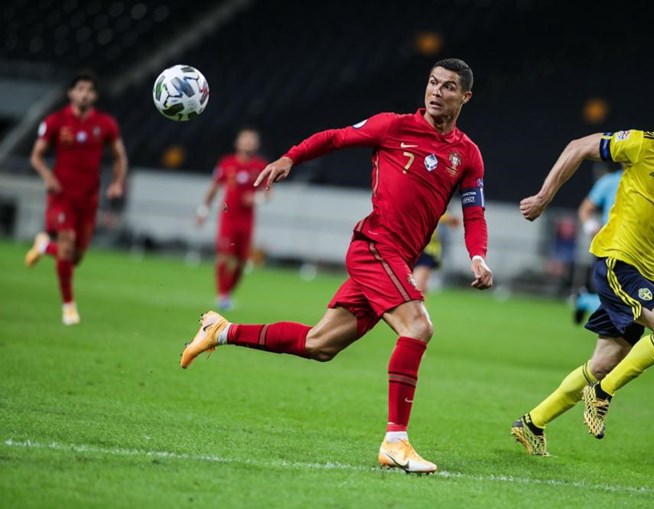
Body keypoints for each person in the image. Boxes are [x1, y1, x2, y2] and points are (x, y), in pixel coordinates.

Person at [180, 58, 493, 473]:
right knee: (418, 326)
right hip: (375, 247)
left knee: (319, 344)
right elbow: (335, 137)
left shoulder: (467, 155)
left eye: (448, 87)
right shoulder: (394, 126)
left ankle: (221, 331)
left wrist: (478, 255)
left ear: (465, 97)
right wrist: (291, 157)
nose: (436, 92)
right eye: (432, 83)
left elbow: (474, 213)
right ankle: (396, 441)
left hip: (396, 259)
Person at [511, 78, 654, 456]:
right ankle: (602, 394)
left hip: (647, 272)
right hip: (616, 261)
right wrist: (544, 197)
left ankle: (532, 423)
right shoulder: (643, 144)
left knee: (602, 363)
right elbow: (578, 146)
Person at [25, 71, 128, 325]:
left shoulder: (105, 124)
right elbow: (36, 156)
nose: (84, 94)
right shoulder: (56, 121)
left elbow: (119, 157)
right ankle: (69, 307)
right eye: (80, 88)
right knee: (67, 242)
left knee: (76, 257)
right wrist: (48, 177)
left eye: (89, 90)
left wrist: (116, 183)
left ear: (95, 95)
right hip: (62, 195)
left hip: (89, 198)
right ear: (71, 92)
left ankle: (43, 246)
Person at [196, 128, 268, 310]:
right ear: (238, 143)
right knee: (223, 256)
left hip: (247, 221)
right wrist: (204, 209)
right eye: (245, 140)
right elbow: (214, 187)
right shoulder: (227, 163)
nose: (248, 143)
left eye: (251, 140)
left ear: (256, 144)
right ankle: (222, 295)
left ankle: (227, 292)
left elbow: (268, 193)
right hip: (228, 218)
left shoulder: (260, 166)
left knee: (242, 262)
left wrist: (256, 199)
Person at [573, 164, 623, 324]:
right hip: (610, 244)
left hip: (636, 246)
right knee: (618, 300)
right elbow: (585, 209)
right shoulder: (610, 181)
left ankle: (585, 300)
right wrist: (592, 229)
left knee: (621, 299)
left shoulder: (649, 180)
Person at [413, 212, 461, 294]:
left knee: (420, 287)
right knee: (417, 287)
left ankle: (416, 304)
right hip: (415, 247)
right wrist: (448, 219)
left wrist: (447, 218)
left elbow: (434, 210)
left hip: (427, 249)